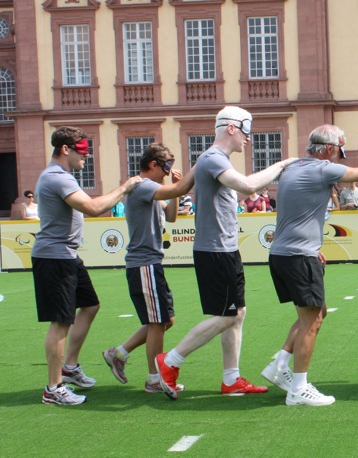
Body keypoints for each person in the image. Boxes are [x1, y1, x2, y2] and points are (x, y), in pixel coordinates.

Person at [155, 106, 296, 400]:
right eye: (246, 130)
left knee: (237, 314)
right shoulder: (212, 159)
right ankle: (169, 362)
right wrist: (282, 165)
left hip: (224, 249)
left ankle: (231, 378)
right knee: (226, 316)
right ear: (231, 128)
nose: (248, 138)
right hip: (214, 250)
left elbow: (181, 186)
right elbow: (247, 185)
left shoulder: (210, 159)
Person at [261, 124, 358, 406]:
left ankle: (280, 365)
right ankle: (299, 388)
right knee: (312, 320)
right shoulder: (323, 168)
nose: (338, 158)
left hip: (285, 253)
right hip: (299, 255)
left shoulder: (294, 167)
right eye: (338, 152)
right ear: (329, 149)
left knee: (315, 312)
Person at [32, 126, 142, 406]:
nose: (87, 155)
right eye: (82, 149)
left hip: (66, 256)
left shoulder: (62, 176)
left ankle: (68, 367)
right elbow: (93, 208)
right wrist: (125, 187)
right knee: (61, 321)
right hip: (54, 257)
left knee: (90, 305)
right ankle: (54, 388)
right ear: (65, 149)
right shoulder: (57, 178)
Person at [102, 143, 195, 393]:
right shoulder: (143, 186)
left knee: (166, 320)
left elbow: (173, 217)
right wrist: (196, 170)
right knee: (157, 322)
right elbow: (181, 187)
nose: (168, 170)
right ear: (152, 164)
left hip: (149, 263)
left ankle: (119, 353)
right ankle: (154, 378)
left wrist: (175, 191)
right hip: (144, 264)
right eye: (165, 164)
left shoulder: (151, 190)